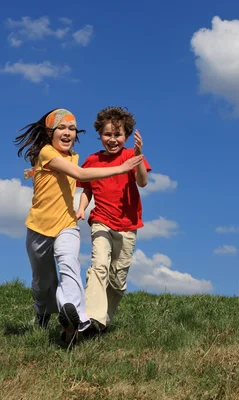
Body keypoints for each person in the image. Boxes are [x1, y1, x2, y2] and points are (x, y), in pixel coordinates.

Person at [14, 108, 143, 344]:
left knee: (69, 266)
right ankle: (43, 313)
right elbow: (81, 174)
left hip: (67, 224)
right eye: (61, 128)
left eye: (71, 128)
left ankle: (76, 317)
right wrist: (121, 168)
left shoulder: (72, 155)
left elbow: (81, 181)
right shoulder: (47, 152)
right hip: (39, 227)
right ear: (49, 132)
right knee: (43, 281)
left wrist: (81, 208)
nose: (67, 133)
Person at [76, 106, 151, 337]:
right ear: (100, 135)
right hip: (101, 220)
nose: (112, 139)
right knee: (99, 266)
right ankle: (88, 319)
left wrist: (138, 155)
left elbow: (143, 182)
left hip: (127, 225)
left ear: (126, 136)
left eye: (118, 135)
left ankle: (103, 322)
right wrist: (81, 208)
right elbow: (87, 189)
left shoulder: (131, 156)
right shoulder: (92, 161)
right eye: (107, 134)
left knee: (118, 279)